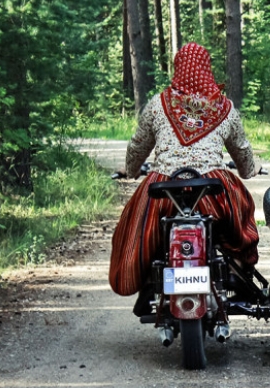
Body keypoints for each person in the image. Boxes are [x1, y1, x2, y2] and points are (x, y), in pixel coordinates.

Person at [108, 43, 259, 314]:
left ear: (178, 68)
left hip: (163, 189)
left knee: (137, 230)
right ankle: (236, 270)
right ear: (207, 69)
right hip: (212, 191)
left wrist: (131, 170)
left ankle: (145, 280)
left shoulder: (159, 104)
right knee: (240, 216)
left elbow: (137, 145)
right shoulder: (224, 108)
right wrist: (250, 170)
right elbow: (243, 151)